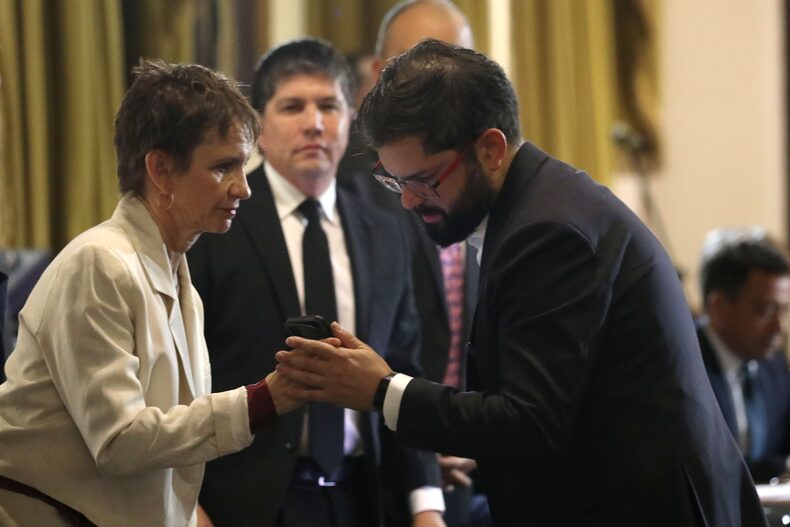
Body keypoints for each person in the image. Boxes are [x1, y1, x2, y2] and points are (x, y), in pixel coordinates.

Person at [275, 39, 769, 526]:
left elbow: (528, 423)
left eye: (423, 181)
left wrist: (382, 390)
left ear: (490, 149)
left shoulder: (548, 231)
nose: (408, 202)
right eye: (394, 181)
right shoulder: (532, 205)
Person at [0, 59, 300, 527]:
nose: (244, 188)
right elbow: (119, 442)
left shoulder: (177, 276)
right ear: (160, 168)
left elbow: (164, 453)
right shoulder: (98, 263)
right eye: (224, 167)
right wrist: (262, 401)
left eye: (244, 166)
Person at [187, 37, 444, 527]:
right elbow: (180, 376)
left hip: (364, 496)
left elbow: (405, 369)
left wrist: (425, 503)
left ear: (351, 121)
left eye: (329, 105)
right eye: (292, 107)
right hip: (243, 502)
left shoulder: (387, 226)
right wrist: (187, 507)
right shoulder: (217, 222)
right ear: (258, 127)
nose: (314, 123)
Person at [337, 5, 487, 525]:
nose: (449, 86)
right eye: (427, 68)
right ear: (380, 76)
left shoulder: (482, 167)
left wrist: (465, 429)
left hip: (471, 468)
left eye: (459, 63)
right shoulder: (345, 188)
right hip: (382, 477)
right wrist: (423, 443)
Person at [696, 227, 790, 484]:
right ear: (719, 306)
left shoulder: (773, 363)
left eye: (782, 311)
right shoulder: (684, 369)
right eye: (764, 310)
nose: (778, 328)